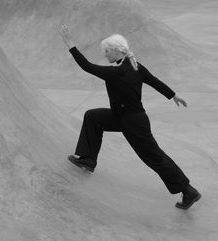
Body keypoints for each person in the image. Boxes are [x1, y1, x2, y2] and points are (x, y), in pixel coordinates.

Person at [60, 25, 201, 210]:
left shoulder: (116, 73)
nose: (105, 55)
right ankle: (87, 159)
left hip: (133, 123)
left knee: (155, 158)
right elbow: (154, 81)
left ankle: (188, 190)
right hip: (123, 116)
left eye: (107, 52)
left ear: (116, 51)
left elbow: (86, 66)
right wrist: (173, 95)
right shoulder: (134, 66)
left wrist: (70, 44)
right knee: (93, 117)